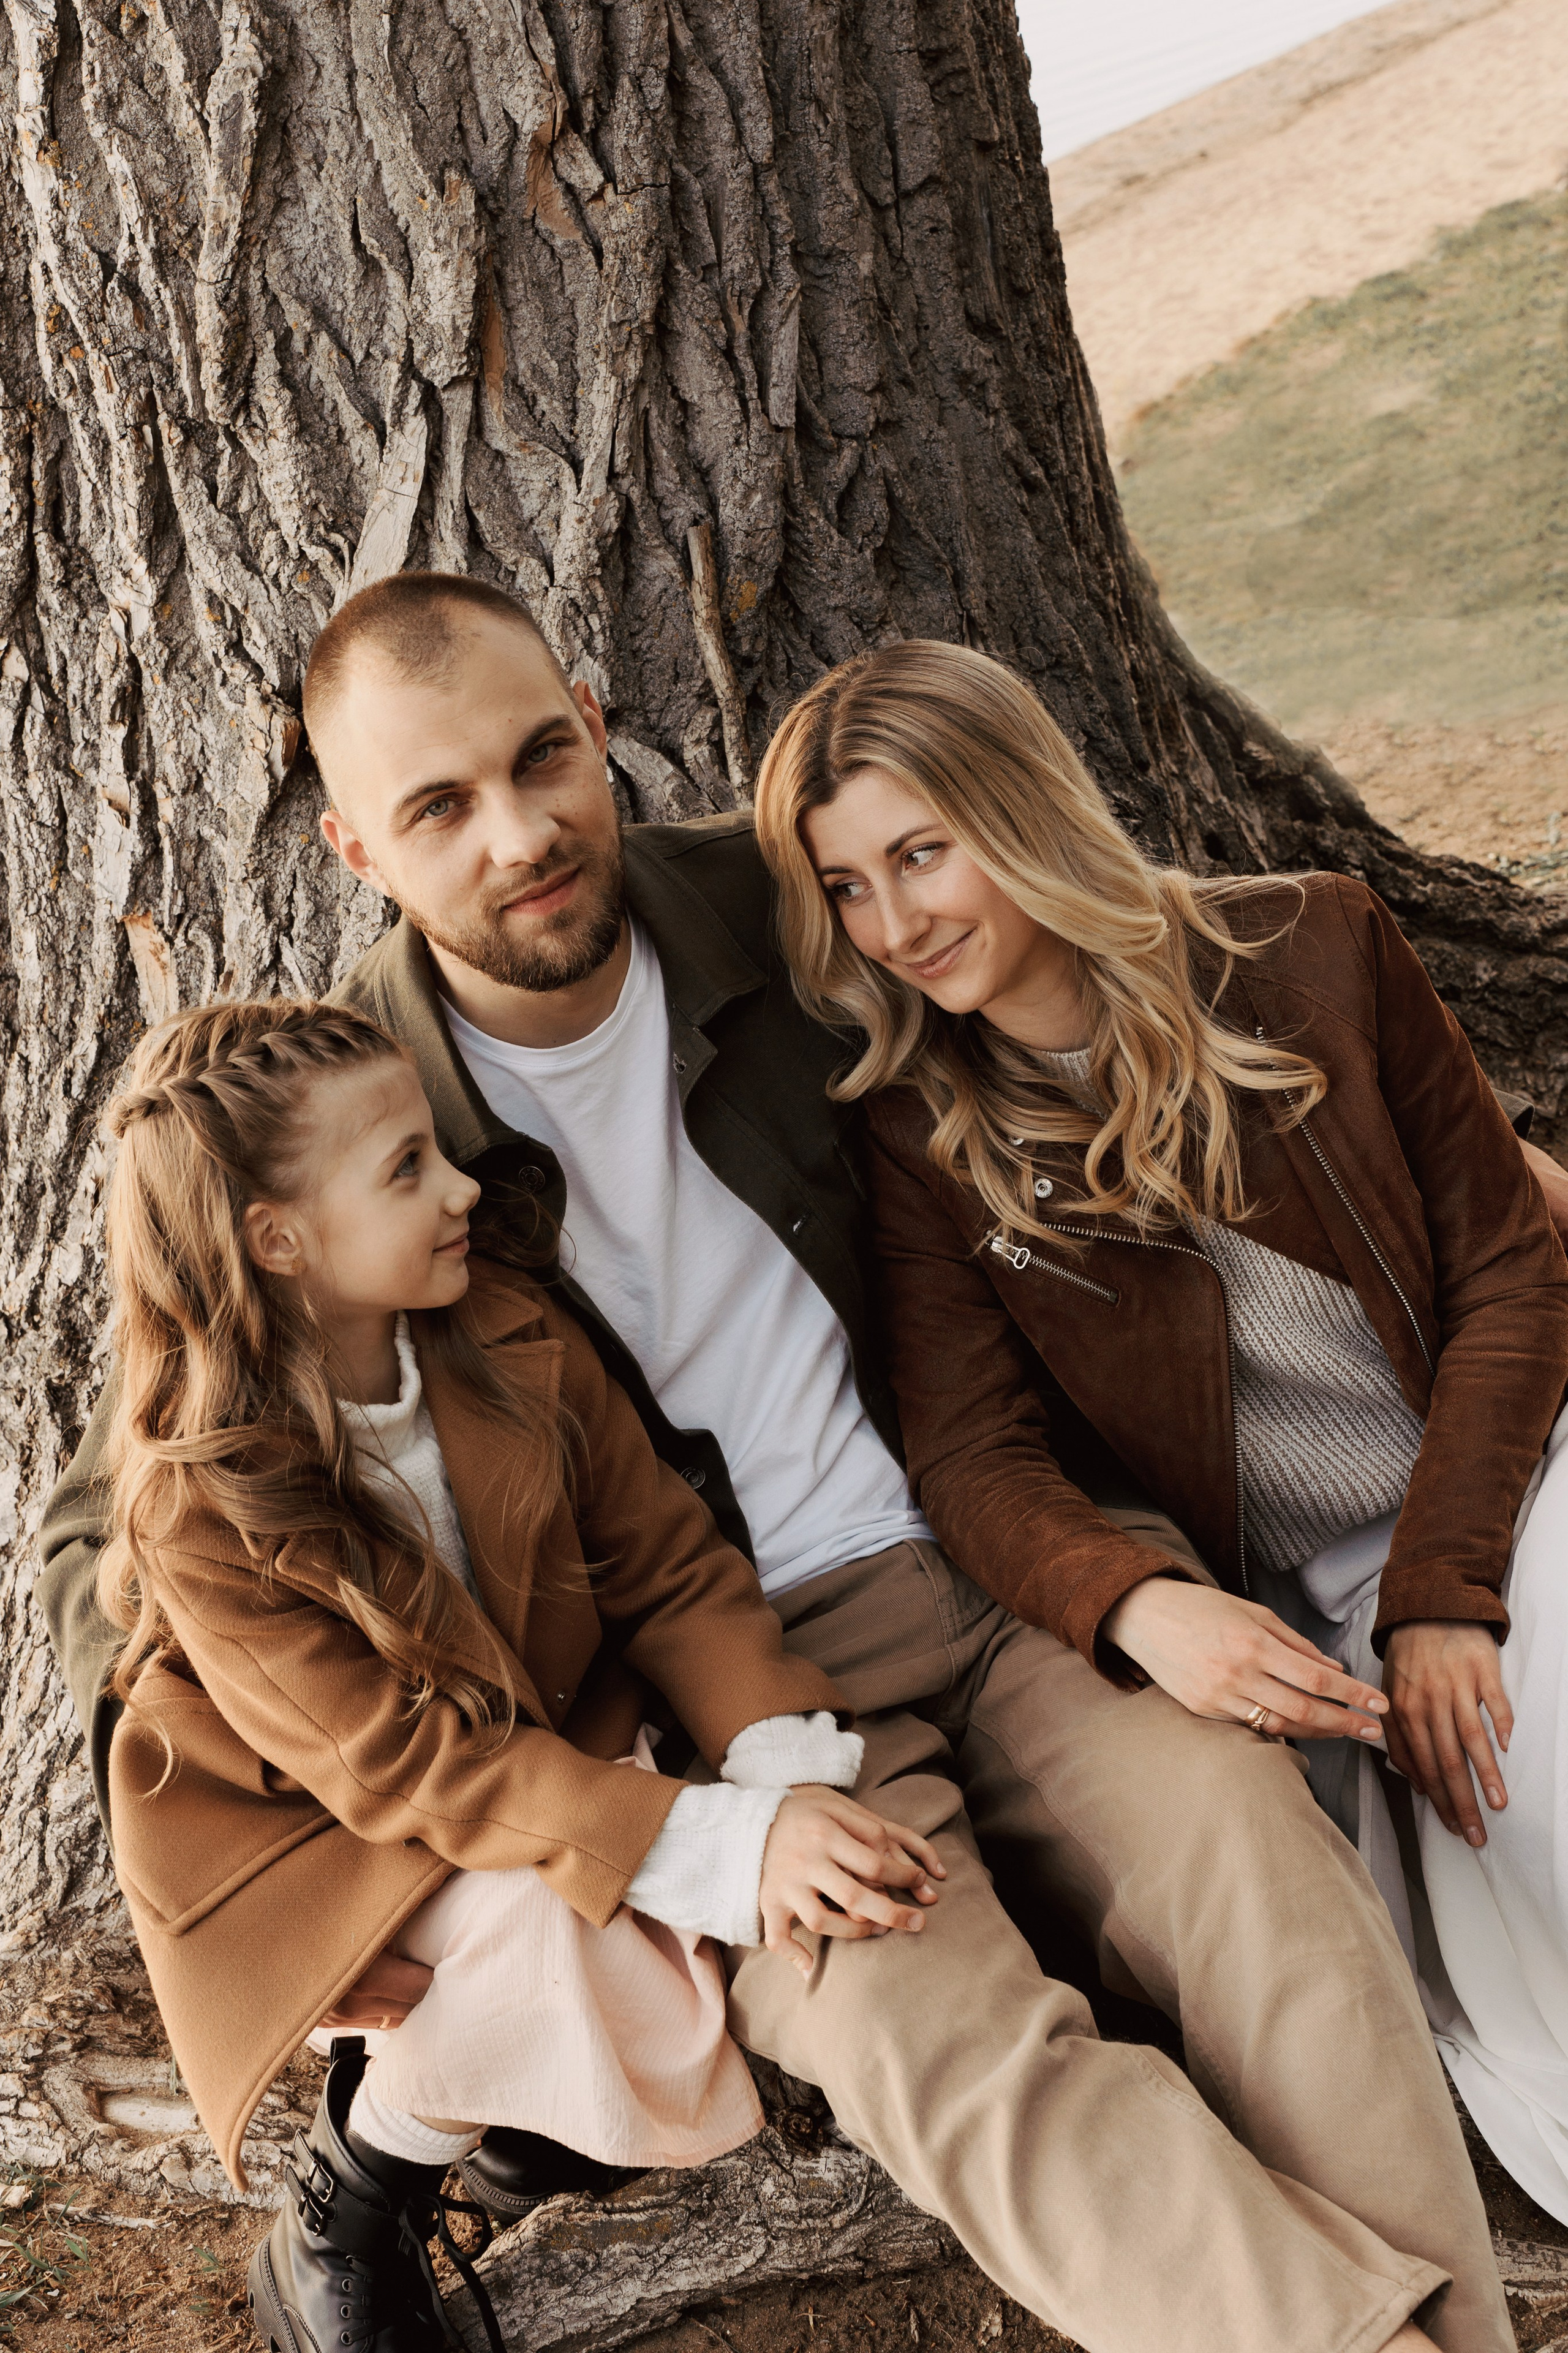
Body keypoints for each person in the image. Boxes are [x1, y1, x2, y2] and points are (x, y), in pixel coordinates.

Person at [39, 575, 1515, 2353]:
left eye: (537, 759)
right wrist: (342, 1819)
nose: (517, 836)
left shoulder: (802, 913)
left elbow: (1107, 958)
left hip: (1009, 1557)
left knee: (1272, 1889)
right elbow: (134, 1490)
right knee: (945, 2045)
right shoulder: (363, 1104)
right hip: (732, 1705)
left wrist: (1493, 1192)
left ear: (594, 720)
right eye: (439, 807)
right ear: (358, 845)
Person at [754, 633, 1568, 2229]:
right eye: (847, 887)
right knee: (1502, 1859)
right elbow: (975, 1458)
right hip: (1320, 1606)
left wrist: (1445, 1593)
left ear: (1026, 808)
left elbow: (1508, 1271)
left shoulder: (1318, 950)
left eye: (924, 852)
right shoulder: (922, 1138)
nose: (897, 923)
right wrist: (1136, 1602)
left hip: (1519, 1484)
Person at [94, 995, 918, 2349]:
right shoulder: (205, 1503)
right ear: (279, 1240)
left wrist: (776, 1775)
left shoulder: (508, 1332)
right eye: (407, 1168)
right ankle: (350, 2200)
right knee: (552, 1922)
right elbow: (403, 1764)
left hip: (534, 1740)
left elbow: (668, 1564)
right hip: (319, 1827)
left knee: (629, 1915)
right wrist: (715, 1839)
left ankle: (521, 2132)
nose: (463, 1188)